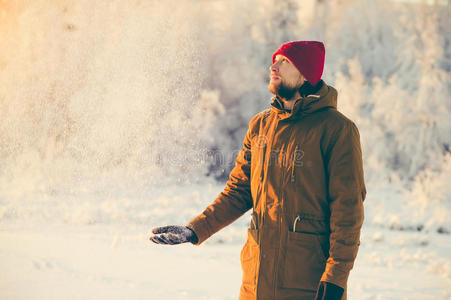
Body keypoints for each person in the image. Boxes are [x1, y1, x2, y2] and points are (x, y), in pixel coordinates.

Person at [150, 41, 366, 300]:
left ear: (306, 73)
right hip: (255, 283)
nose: (273, 66)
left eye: (285, 61)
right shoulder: (260, 126)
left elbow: (348, 212)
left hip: (308, 287)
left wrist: (335, 280)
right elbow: (238, 193)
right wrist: (195, 229)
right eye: (275, 60)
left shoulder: (337, 130)